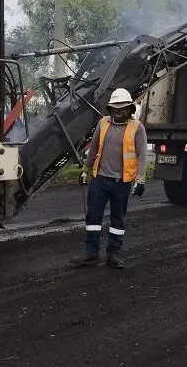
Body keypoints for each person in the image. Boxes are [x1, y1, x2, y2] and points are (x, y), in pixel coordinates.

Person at [71, 88, 147, 269]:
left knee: (117, 219)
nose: (118, 112)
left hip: (122, 183)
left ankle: (113, 254)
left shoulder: (137, 128)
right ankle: (91, 254)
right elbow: (94, 147)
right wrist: (85, 170)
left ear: (130, 109)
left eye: (122, 109)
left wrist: (141, 179)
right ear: (110, 109)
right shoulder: (103, 123)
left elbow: (142, 155)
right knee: (93, 216)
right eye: (115, 109)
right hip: (100, 180)